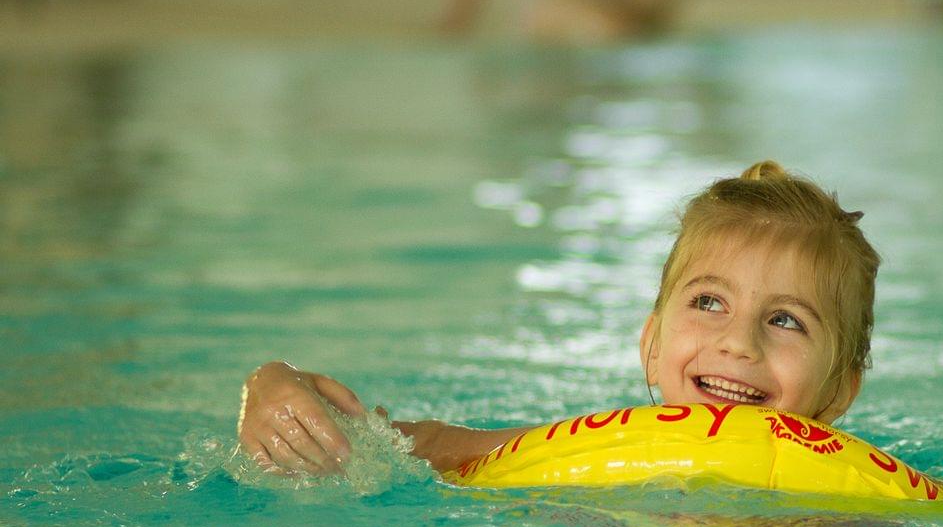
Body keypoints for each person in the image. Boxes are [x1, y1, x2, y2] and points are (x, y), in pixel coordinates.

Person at [237, 161, 880, 476]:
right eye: (708, 302)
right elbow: (386, 446)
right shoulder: (577, 448)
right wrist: (275, 385)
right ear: (652, 346)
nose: (738, 343)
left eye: (786, 320)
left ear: (838, 392)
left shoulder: (872, 502)